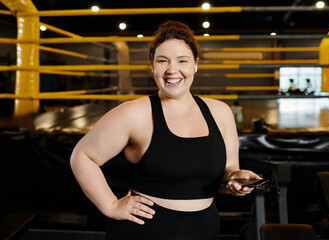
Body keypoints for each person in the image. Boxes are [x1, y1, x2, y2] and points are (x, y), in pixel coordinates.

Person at [70, 20, 261, 240]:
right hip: (145, 230)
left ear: (195, 64)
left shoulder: (221, 112)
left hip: (204, 229)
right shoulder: (134, 113)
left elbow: (227, 170)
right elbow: (82, 156)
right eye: (163, 61)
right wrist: (110, 205)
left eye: (182, 61)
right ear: (152, 65)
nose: (172, 70)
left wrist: (235, 178)